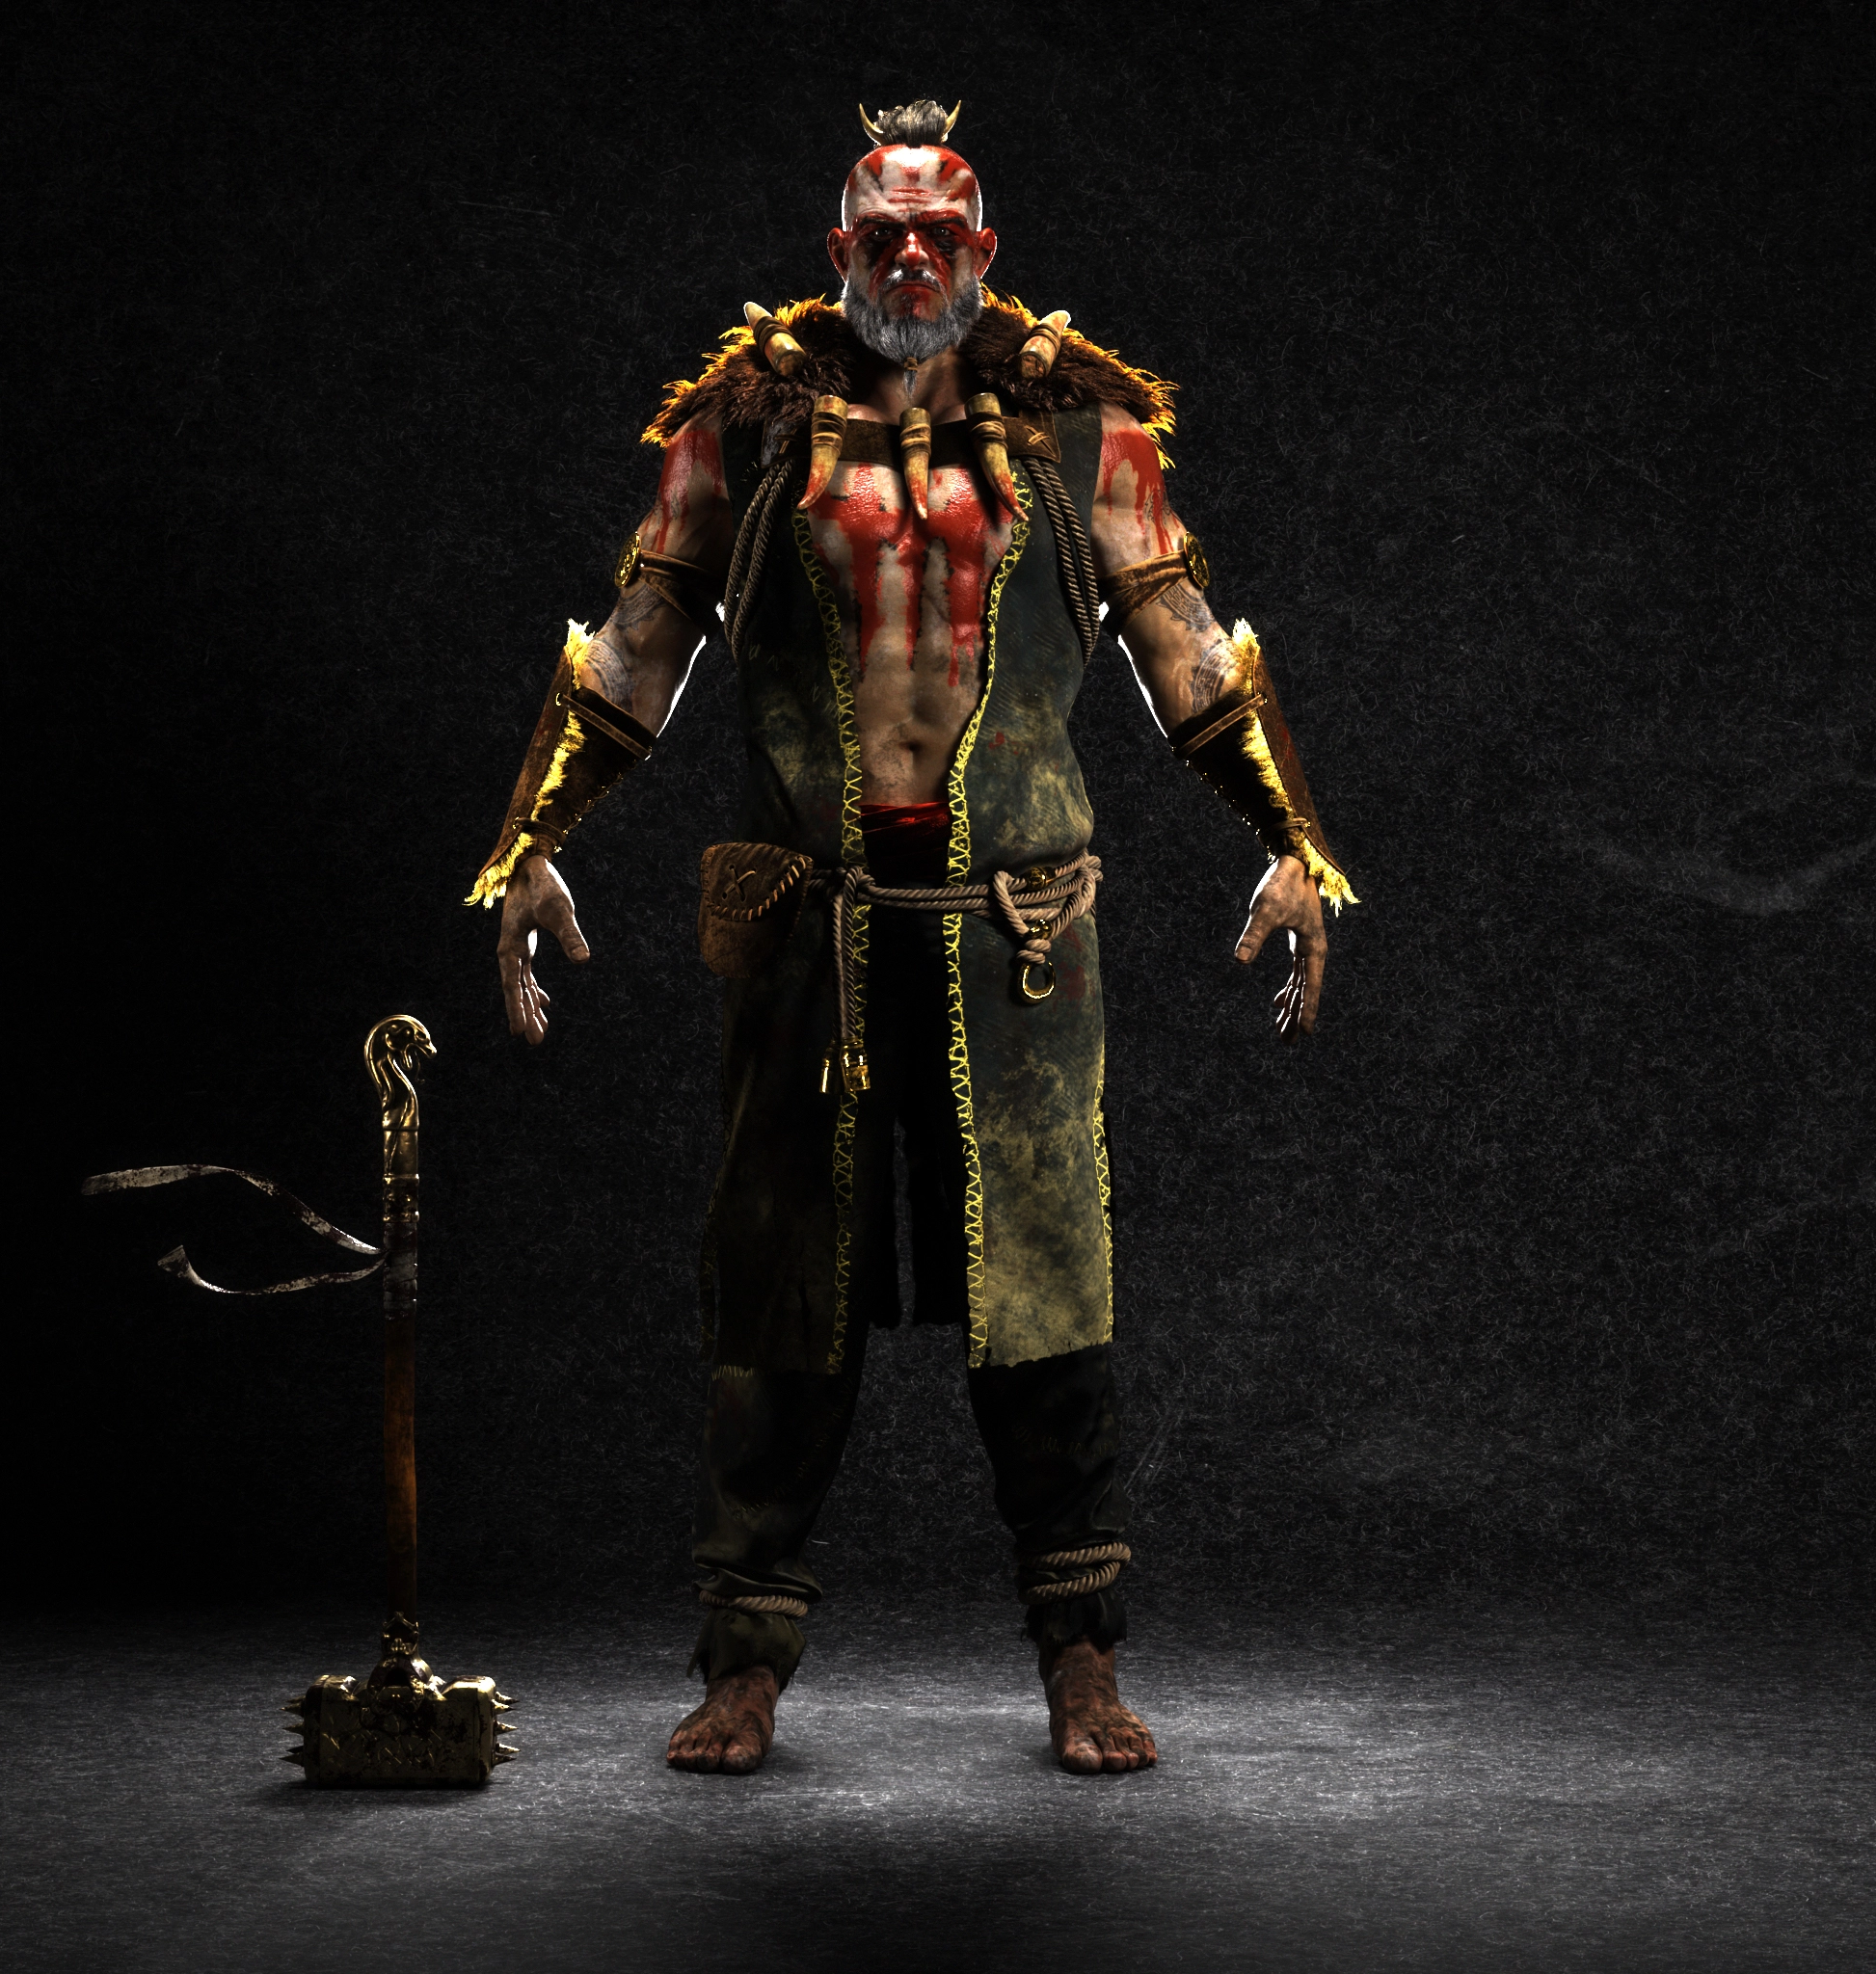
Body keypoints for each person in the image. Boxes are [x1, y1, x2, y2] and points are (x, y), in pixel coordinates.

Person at [469, 99, 1355, 1777]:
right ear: (840, 247)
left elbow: (1190, 648)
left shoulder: (1086, 437)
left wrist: (1293, 844)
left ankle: (1082, 1657)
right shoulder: (744, 430)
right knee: (775, 1293)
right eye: (882, 231)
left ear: (984, 247)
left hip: (1018, 939)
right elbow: (636, 645)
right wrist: (530, 844)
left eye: (940, 230)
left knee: (1048, 1290)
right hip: (802, 931)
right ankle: (742, 1662)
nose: (910, 256)